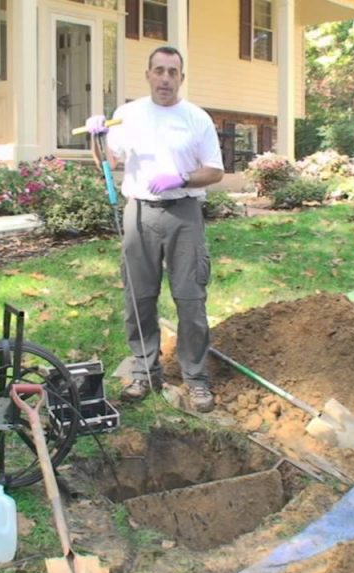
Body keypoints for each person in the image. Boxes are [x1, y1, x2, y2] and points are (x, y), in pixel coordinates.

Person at [85, 45, 224, 413]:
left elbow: (215, 170)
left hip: (184, 214)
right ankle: (144, 370)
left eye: (172, 72)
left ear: (181, 77)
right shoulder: (128, 115)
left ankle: (195, 379)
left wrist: (180, 176)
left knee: (190, 299)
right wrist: (96, 136)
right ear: (147, 74)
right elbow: (107, 162)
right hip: (140, 213)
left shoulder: (197, 118)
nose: (165, 78)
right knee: (138, 298)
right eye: (158, 70)